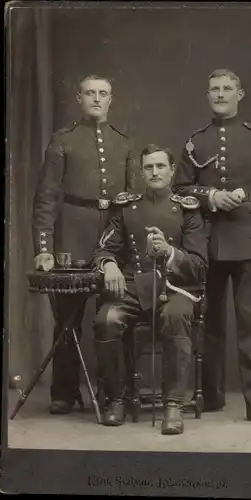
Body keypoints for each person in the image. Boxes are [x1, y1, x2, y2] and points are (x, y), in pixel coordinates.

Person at [173, 68, 251, 425]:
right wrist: (211, 196)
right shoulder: (195, 142)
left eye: (227, 89)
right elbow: (180, 189)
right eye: (214, 89)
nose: (220, 94)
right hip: (208, 243)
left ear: (240, 94)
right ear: (207, 96)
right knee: (209, 323)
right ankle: (210, 397)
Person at [32, 74, 137, 415]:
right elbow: (46, 198)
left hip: (113, 239)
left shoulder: (124, 144)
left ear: (111, 99)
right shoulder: (63, 140)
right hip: (72, 236)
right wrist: (44, 248)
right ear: (79, 98)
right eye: (90, 93)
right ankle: (64, 392)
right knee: (67, 320)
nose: (96, 98)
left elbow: (133, 201)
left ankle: (113, 393)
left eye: (103, 93)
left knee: (114, 314)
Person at [92, 144, 208, 434]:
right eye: (148, 167)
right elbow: (103, 249)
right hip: (134, 287)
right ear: (141, 172)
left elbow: (199, 266)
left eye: (160, 166)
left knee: (175, 317)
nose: (154, 172)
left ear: (171, 171)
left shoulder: (188, 210)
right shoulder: (126, 208)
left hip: (177, 288)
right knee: (106, 319)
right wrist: (109, 265)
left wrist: (169, 251)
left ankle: (173, 405)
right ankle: (117, 398)